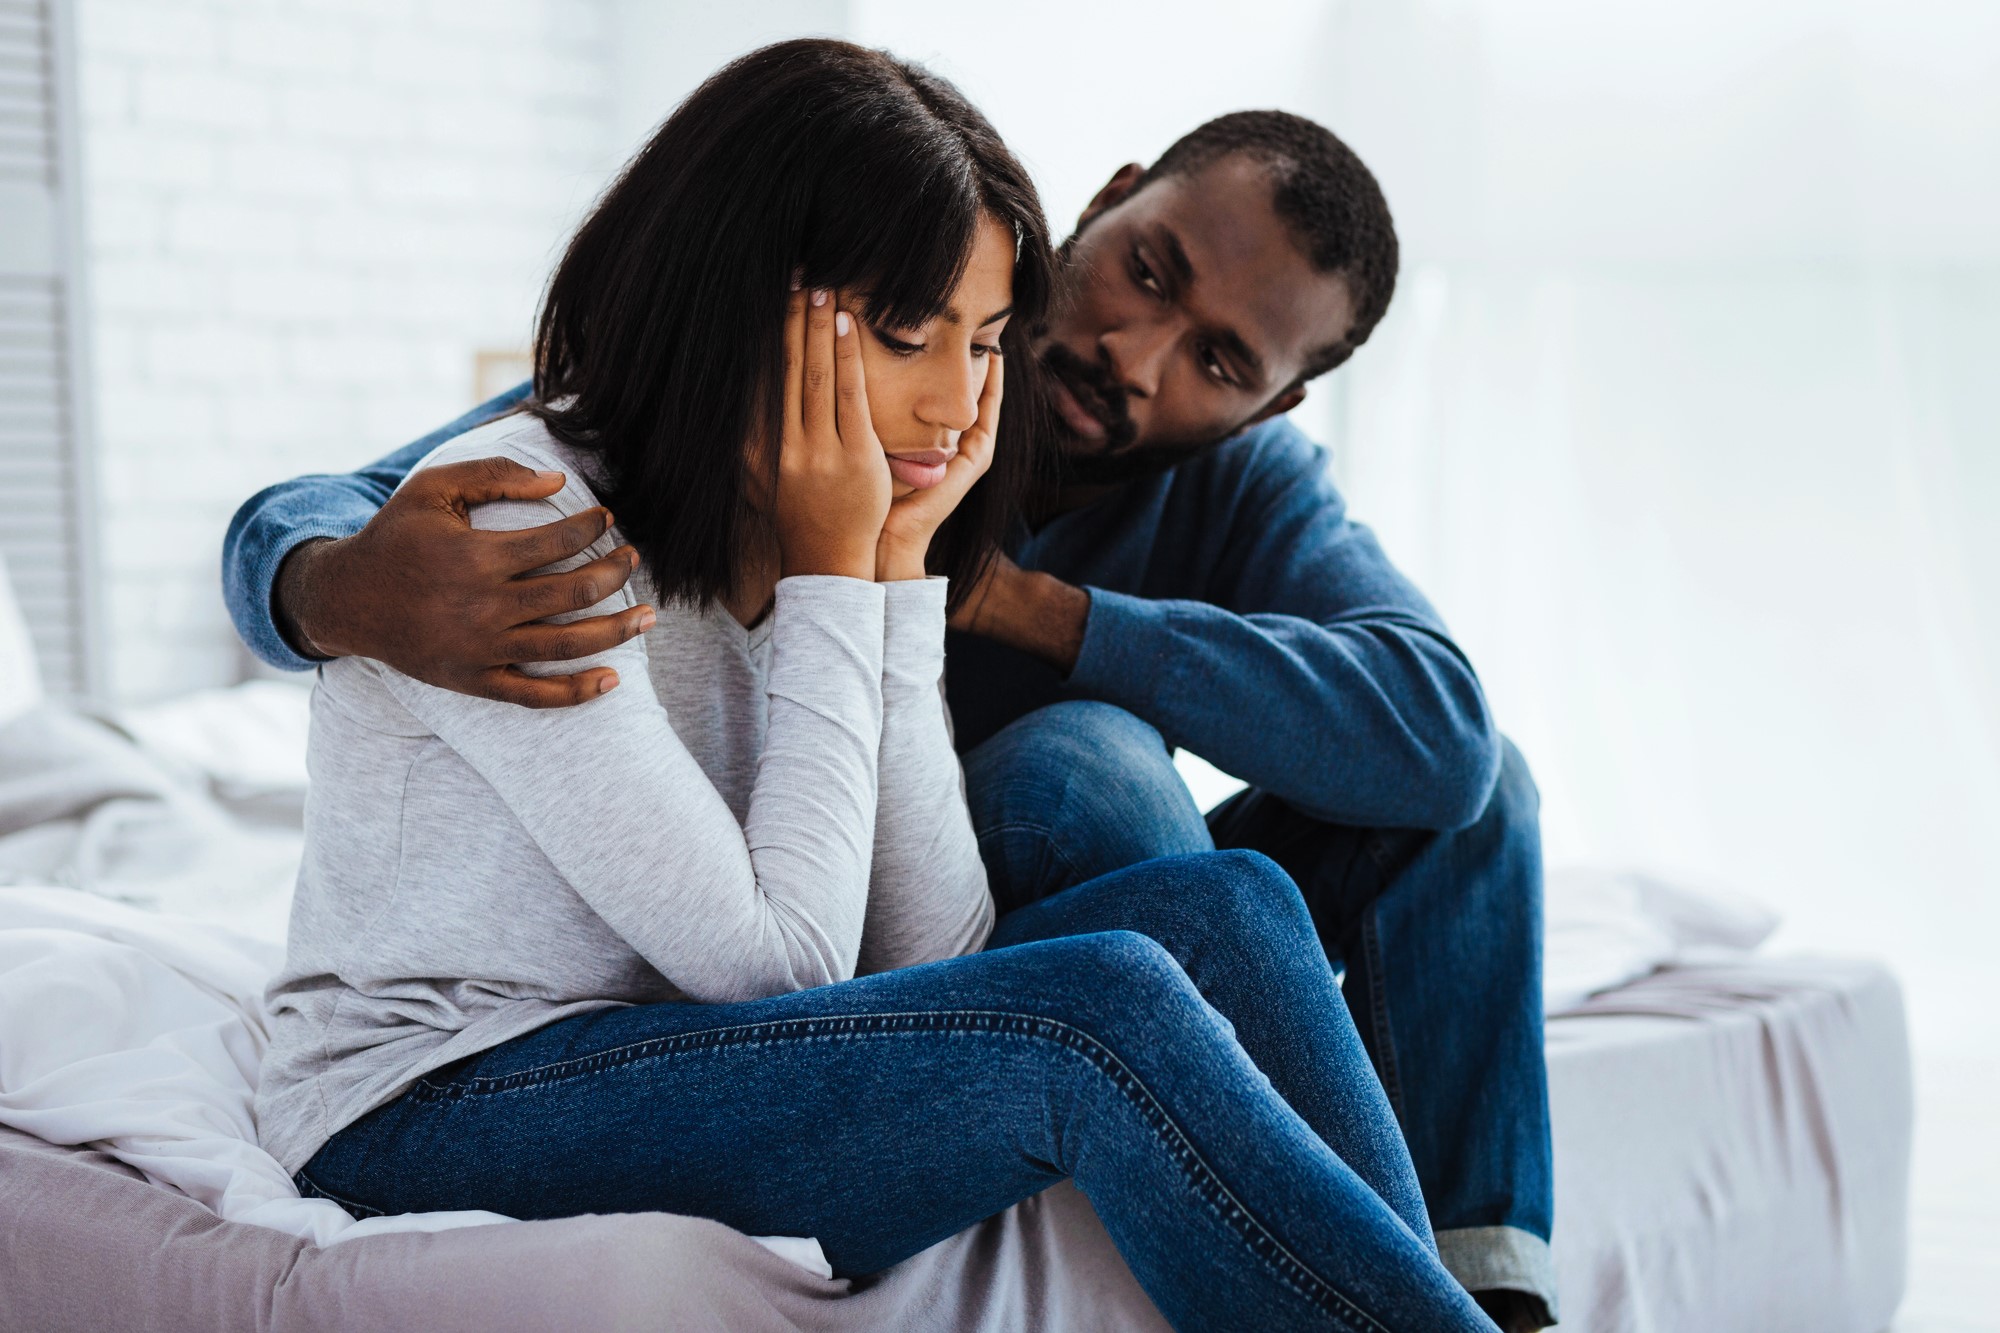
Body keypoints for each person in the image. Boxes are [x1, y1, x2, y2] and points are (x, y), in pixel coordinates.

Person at [225, 64, 1553, 1333]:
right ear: (759, 301)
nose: (964, 399)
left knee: (1233, 902)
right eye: (917, 336)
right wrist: (338, 584)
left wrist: (896, 569)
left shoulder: (875, 498)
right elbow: (778, 963)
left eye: (984, 342)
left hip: (686, 1004)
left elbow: (928, 959)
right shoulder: (534, 512)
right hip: (426, 1096)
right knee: (1097, 1006)